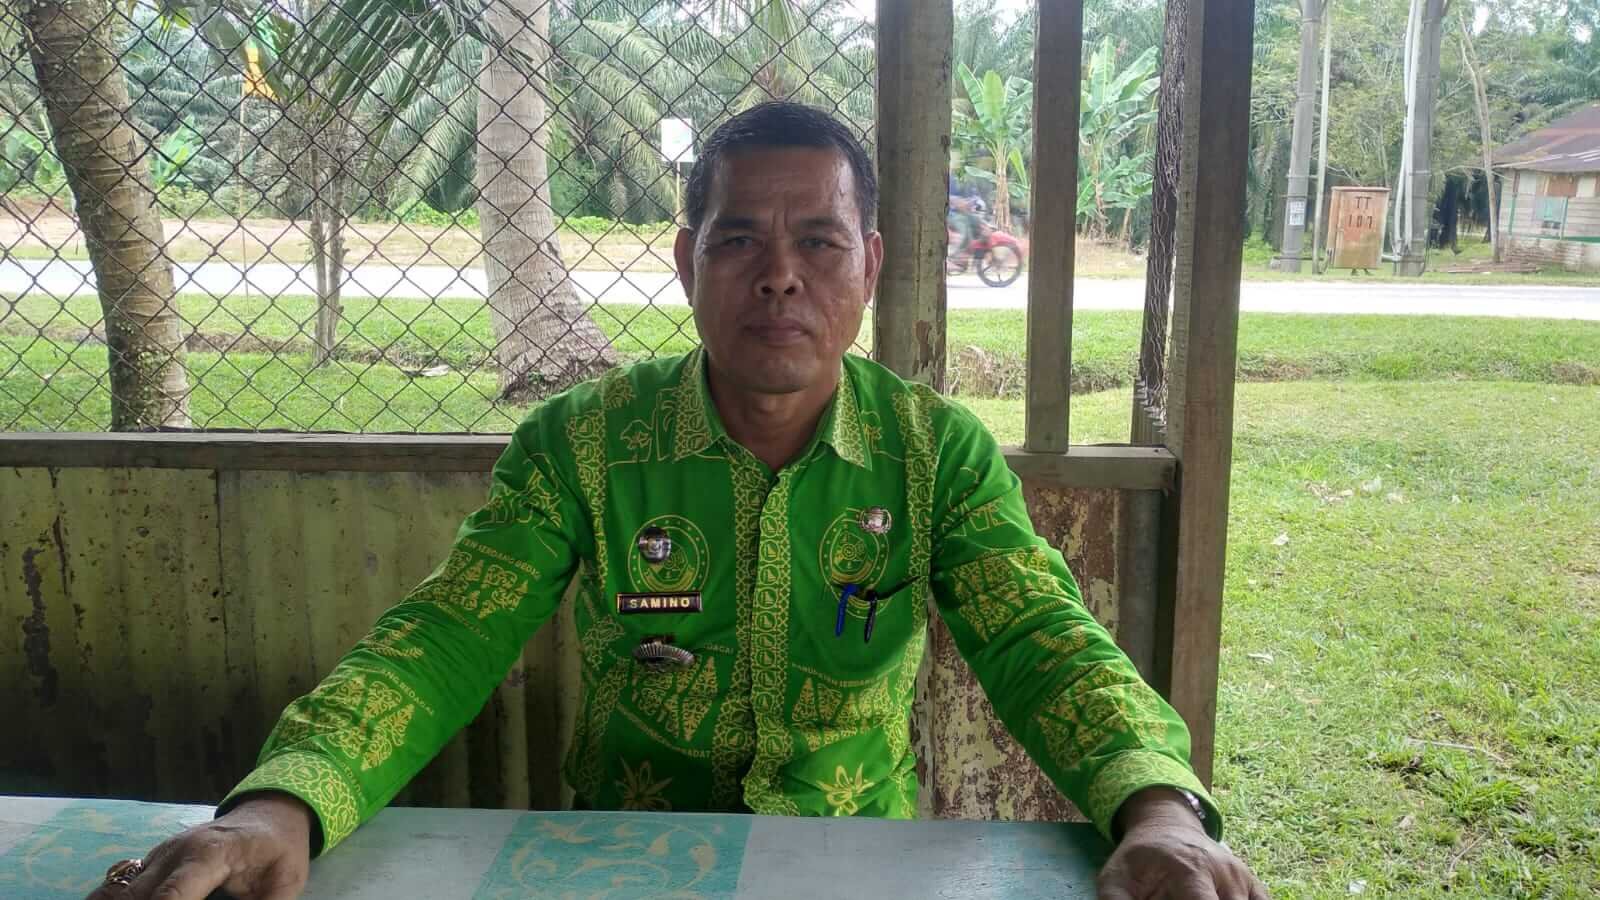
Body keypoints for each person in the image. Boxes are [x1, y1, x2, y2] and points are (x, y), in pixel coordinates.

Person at [88, 102, 1265, 900]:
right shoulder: (580, 443)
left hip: (854, 862)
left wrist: (1158, 809)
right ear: (684, 256)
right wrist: (279, 808)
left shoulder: (934, 453)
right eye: (739, 239)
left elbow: (1044, 642)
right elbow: (444, 635)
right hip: (624, 859)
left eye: (819, 241)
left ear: (871, 261)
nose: (780, 276)